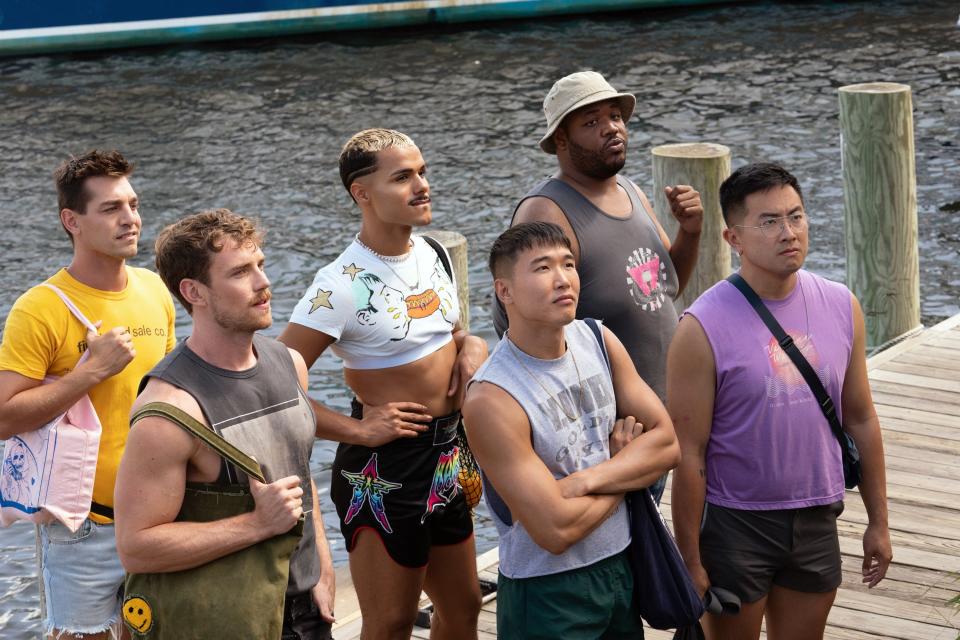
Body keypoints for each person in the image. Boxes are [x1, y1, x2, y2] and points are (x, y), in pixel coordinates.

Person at [668, 163, 893, 640]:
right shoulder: (700, 327)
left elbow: (860, 417)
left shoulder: (840, 304)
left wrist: (880, 522)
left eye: (796, 216)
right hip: (735, 523)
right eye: (769, 222)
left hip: (817, 514)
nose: (789, 232)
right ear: (734, 238)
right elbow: (688, 453)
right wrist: (689, 558)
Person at [278, 128, 486, 640]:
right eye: (403, 177)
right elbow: (276, 389)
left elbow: (450, 333)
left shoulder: (433, 252)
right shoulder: (339, 285)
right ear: (361, 193)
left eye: (422, 171)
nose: (422, 185)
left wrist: (472, 345)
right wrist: (359, 431)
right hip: (384, 469)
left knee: (464, 607)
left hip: (447, 457)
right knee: (390, 623)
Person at [114, 209, 336, 639]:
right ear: (193, 291)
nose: (262, 283)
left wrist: (322, 567)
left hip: (308, 612)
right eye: (240, 273)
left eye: (261, 265)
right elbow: (136, 548)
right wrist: (255, 524)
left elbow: (298, 476)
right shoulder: (169, 410)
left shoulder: (290, 364)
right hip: (224, 621)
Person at [464, 222, 680, 639]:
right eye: (542, 268)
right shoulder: (493, 397)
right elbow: (554, 531)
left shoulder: (598, 339)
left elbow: (668, 444)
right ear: (504, 291)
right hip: (547, 590)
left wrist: (590, 479)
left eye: (568, 264)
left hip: (621, 565)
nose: (563, 278)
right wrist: (627, 469)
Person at [496, 70, 704, 501]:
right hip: (611, 436)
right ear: (560, 141)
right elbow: (516, 324)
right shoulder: (548, 211)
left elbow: (663, 290)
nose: (611, 127)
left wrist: (690, 233)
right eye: (591, 122)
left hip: (659, 420)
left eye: (615, 116)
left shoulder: (629, 190)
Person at [0, 150, 176, 640]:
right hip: (83, 526)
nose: (131, 219)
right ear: (71, 221)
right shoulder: (39, 309)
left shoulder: (155, 289)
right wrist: (89, 373)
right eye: (111, 209)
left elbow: (164, 402)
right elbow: (3, 418)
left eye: (134, 205)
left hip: (160, 516)